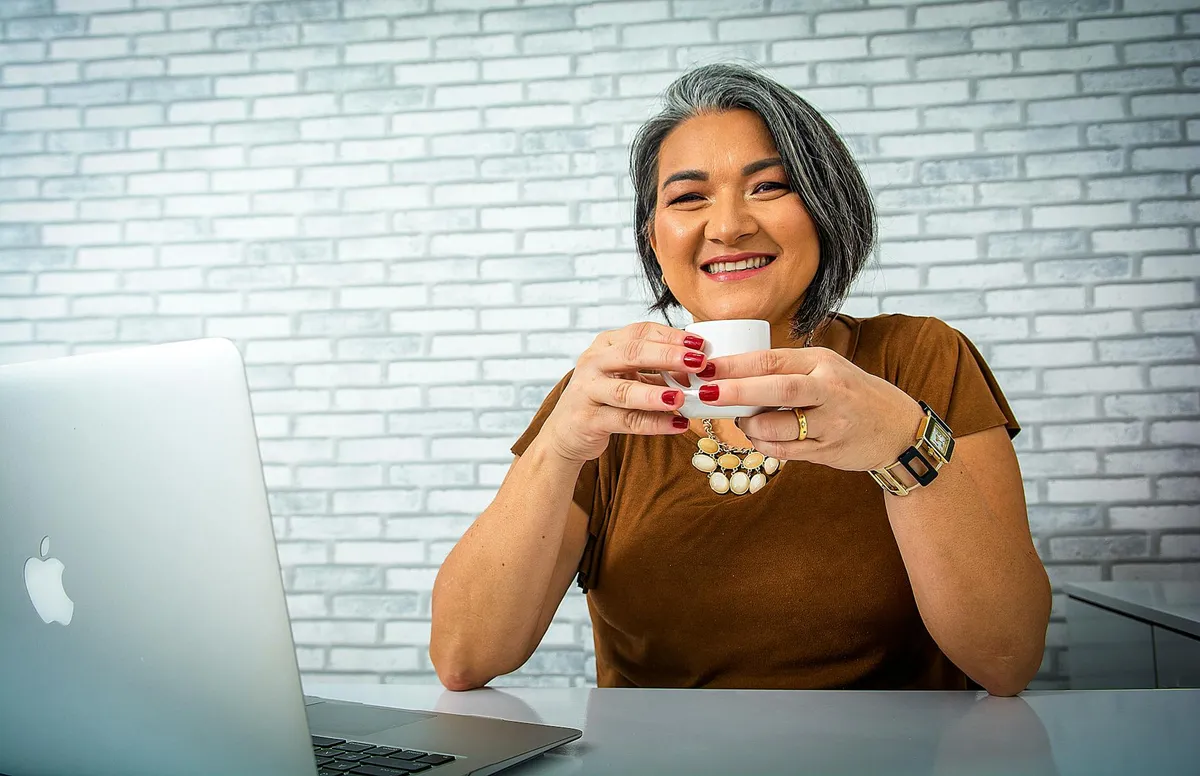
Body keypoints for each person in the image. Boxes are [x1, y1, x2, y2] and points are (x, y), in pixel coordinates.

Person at [430, 63, 1050, 696]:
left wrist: (901, 442)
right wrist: (558, 447)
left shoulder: (920, 357)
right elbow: (463, 657)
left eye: (769, 187)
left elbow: (1005, 659)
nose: (727, 226)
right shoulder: (607, 395)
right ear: (655, 237)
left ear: (825, 208)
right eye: (687, 197)